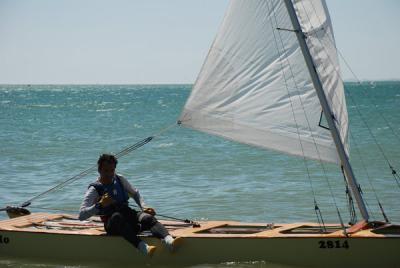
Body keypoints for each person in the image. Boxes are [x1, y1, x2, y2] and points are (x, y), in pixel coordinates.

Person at [79, 154, 180, 256]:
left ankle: (169, 241)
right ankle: (143, 248)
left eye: (112, 170)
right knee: (117, 217)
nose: (109, 174)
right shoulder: (94, 189)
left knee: (147, 218)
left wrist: (143, 207)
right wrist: (99, 205)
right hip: (113, 225)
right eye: (106, 171)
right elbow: (81, 215)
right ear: (99, 170)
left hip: (128, 218)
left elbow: (135, 193)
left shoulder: (120, 179)